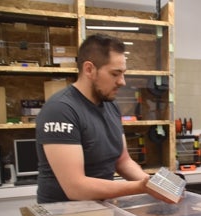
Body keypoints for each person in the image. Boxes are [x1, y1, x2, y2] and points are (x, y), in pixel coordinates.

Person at [35, 33, 171, 204]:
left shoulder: (110, 105)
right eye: (115, 74)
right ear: (89, 69)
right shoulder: (60, 110)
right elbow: (76, 188)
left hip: (100, 211)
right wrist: (141, 187)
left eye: (123, 74)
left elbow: (123, 161)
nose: (122, 82)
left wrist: (156, 185)